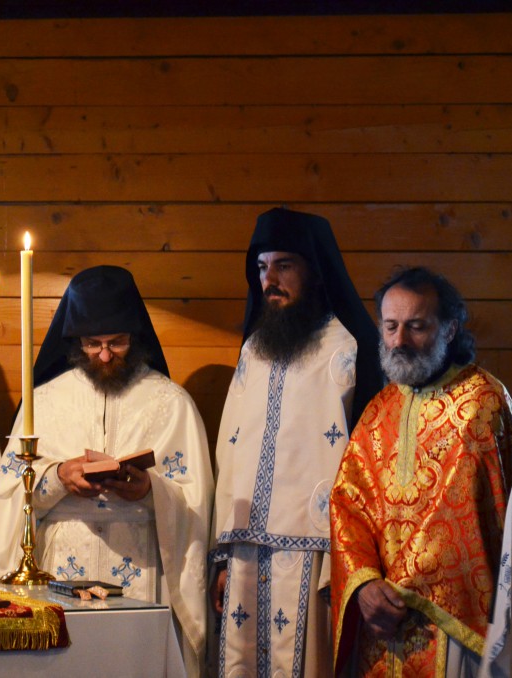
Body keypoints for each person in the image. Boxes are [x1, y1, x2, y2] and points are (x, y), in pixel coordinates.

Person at [0, 265, 214, 677]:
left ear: (135, 336)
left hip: (142, 575)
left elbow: (196, 502)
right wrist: (57, 477)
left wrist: (151, 491)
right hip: (59, 576)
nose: (105, 355)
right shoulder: (43, 402)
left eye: (117, 342)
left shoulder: (172, 404)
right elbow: (6, 492)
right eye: (93, 344)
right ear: (76, 341)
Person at [209, 207, 383, 678]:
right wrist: (223, 556)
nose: (270, 280)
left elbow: (369, 462)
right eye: (262, 267)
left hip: (316, 555)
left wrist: (349, 562)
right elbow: (230, 450)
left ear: (315, 270)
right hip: (245, 553)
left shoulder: (350, 347)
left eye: (284, 266)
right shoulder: (253, 349)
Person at [330, 267, 512, 677]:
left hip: (453, 627)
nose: (399, 341)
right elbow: (347, 505)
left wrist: (403, 587)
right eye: (390, 326)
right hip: (380, 624)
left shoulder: (482, 403)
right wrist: (364, 584)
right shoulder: (380, 409)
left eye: (416, 326)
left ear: (449, 330)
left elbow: (473, 514)